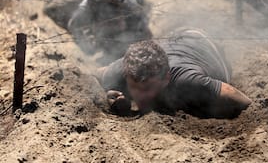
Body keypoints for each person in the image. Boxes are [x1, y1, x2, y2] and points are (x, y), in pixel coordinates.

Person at [95, 29, 251, 119]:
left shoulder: (188, 81)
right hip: (172, 40)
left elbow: (244, 101)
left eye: (148, 88)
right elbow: (92, 76)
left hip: (201, 41)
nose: (140, 96)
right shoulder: (124, 70)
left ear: (166, 78)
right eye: (134, 88)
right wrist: (108, 96)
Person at [44, 0, 152, 60]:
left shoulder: (135, 4)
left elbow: (145, 27)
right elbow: (74, 22)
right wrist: (84, 44)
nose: (115, 23)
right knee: (53, 6)